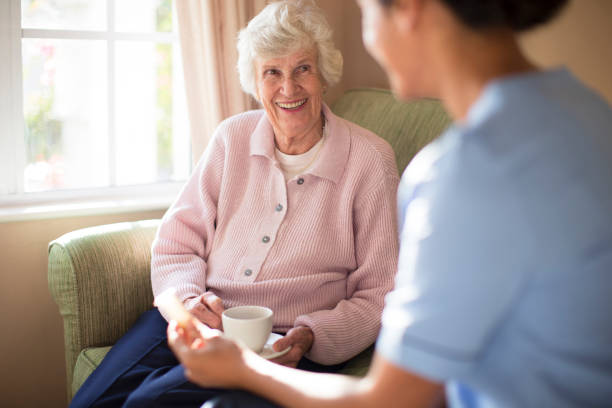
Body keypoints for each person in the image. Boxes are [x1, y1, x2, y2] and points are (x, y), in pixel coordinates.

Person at [168, 0, 612, 407]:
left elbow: (390, 400)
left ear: (409, 9)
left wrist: (246, 368)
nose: (370, 39)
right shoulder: (589, 114)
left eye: (364, 12)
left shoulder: (468, 173)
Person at [69, 1, 400, 407]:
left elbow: (379, 293)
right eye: (272, 73)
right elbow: (177, 242)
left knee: (145, 403)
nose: (289, 88)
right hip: (199, 318)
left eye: (302, 69)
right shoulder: (232, 138)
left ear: (324, 74)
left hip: (282, 344)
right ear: (255, 83)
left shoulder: (369, 159)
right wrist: (189, 303)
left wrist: (313, 334)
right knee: (92, 401)